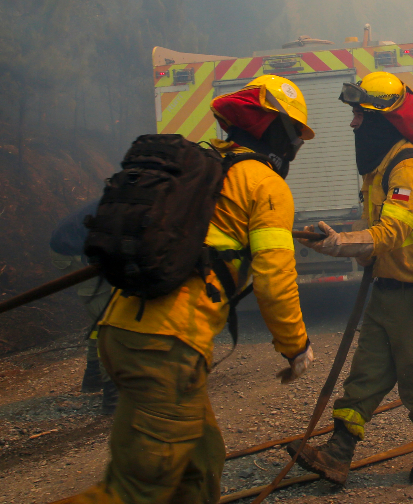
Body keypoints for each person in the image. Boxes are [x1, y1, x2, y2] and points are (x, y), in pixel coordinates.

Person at [56, 75, 315, 504]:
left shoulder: (201, 166)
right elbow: (275, 280)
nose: (294, 148)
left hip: (124, 332)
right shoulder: (265, 185)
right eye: (294, 136)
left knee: (199, 466)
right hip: (166, 348)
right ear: (276, 131)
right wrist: (295, 345)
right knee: (135, 490)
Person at [290, 71, 413, 485]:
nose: (352, 124)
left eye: (358, 116)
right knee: (366, 374)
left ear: (381, 120)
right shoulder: (380, 167)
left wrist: (340, 243)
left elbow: (390, 233)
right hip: (388, 290)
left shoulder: (409, 170)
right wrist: (330, 242)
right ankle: (338, 453)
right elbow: (376, 236)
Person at [49, 199, 118, 414]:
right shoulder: (135, 206)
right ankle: (114, 395)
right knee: (109, 319)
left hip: (85, 248)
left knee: (103, 314)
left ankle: (93, 375)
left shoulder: (135, 197)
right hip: (72, 251)